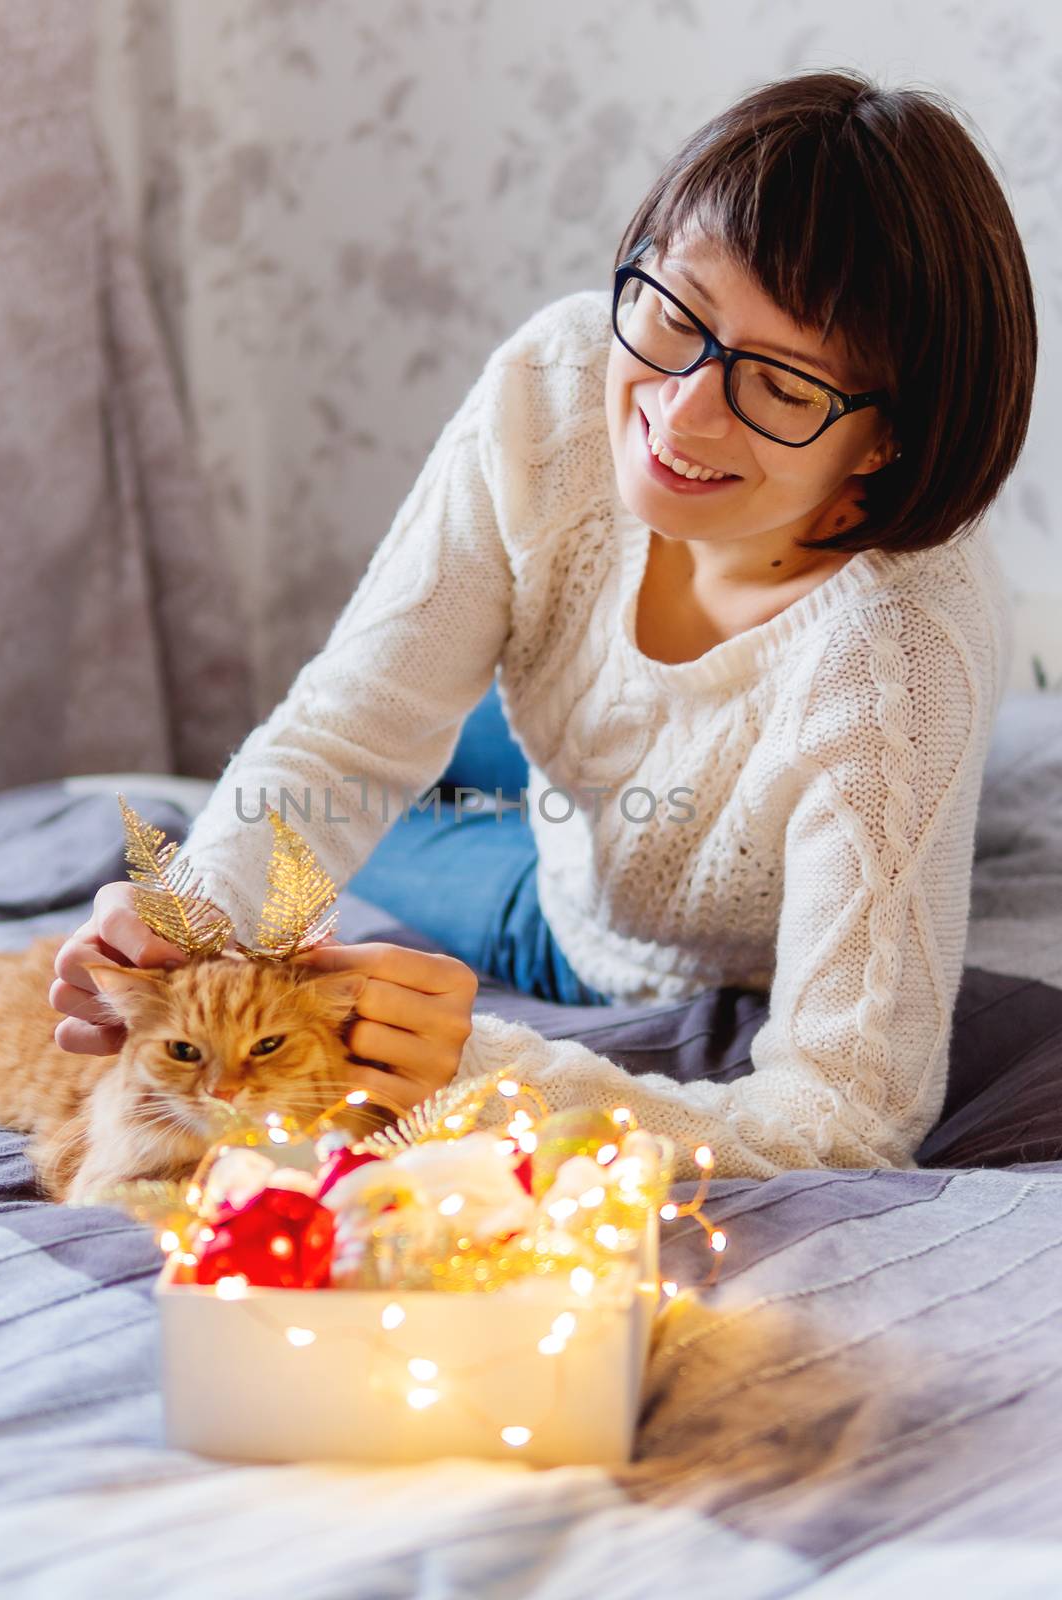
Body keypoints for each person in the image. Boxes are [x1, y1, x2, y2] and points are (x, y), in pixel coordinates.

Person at [52, 69, 1036, 1179]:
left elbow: (848, 1125)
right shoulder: (559, 387)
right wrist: (190, 931)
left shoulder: (897, 665)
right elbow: (348, 733)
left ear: (886, 442)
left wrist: (471, 1070)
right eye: (677, 313)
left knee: (361, 902)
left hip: (613, 917)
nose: (683, 409)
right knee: (340, 773)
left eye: (783, 386)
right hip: (566, 735)